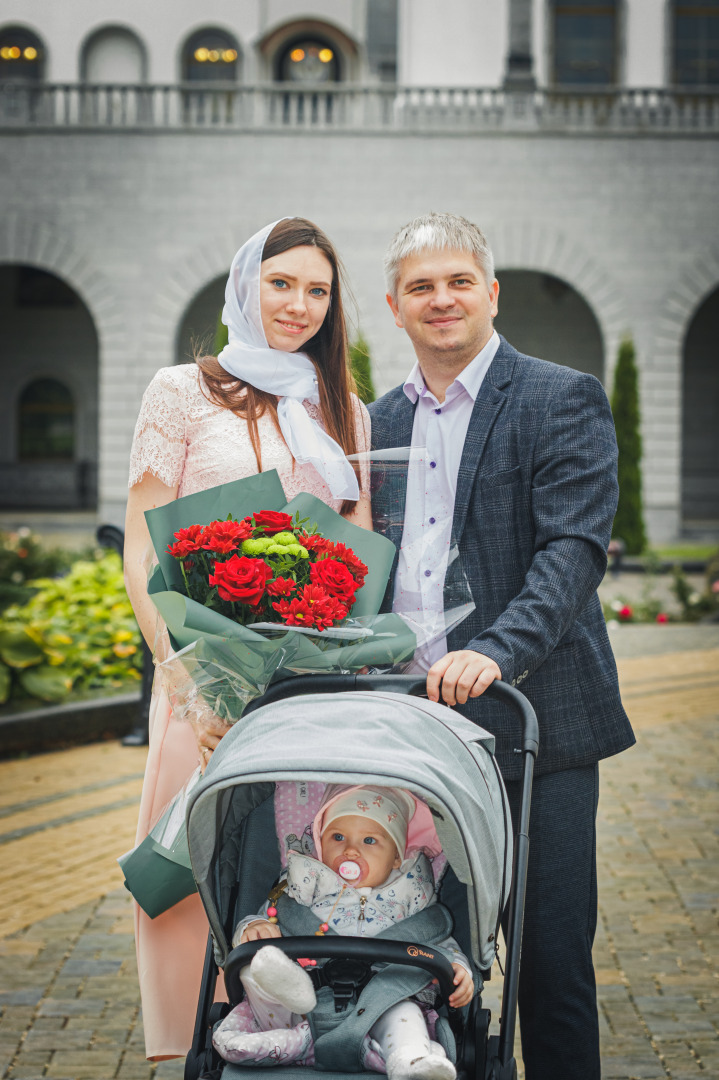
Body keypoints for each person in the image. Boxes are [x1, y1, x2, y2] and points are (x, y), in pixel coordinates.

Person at [368, 212, 635, 1080]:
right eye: (420, 287)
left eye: (456, 282)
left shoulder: (561, 396)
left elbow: (572, 551)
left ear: (491, 291)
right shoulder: (373, 424)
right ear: (394, 307)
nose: (440, 300)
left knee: (547, 965)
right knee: (419, 967)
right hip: (410, 736)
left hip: (536, 725)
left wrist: (496, 648)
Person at [124, 217, 372, 1060]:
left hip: (306, 690)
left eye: (316, 291)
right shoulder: (180, 391)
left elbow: (356, 554)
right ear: (244, 285)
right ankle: (196, 1051)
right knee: (192, 866)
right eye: (281, 283)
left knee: (296, 868)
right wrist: (187, 681)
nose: (298, 305)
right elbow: (141, 543)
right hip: (203, 683)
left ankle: (294, 1049)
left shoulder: (345, 409)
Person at [213, 785, 473, 1079]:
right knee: (259, 966)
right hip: (301, 1007)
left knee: (405, 1014)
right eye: (338, 837)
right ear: (321, 843)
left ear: (397, 858)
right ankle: (289, 992)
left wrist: (458, 969)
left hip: (382, 1002)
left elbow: (440, 943)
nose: (350, 850)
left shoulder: (413, 904)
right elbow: (265, 919)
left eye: (370, 840)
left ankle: (409, 1060)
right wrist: (254, 928)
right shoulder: (300, 891)